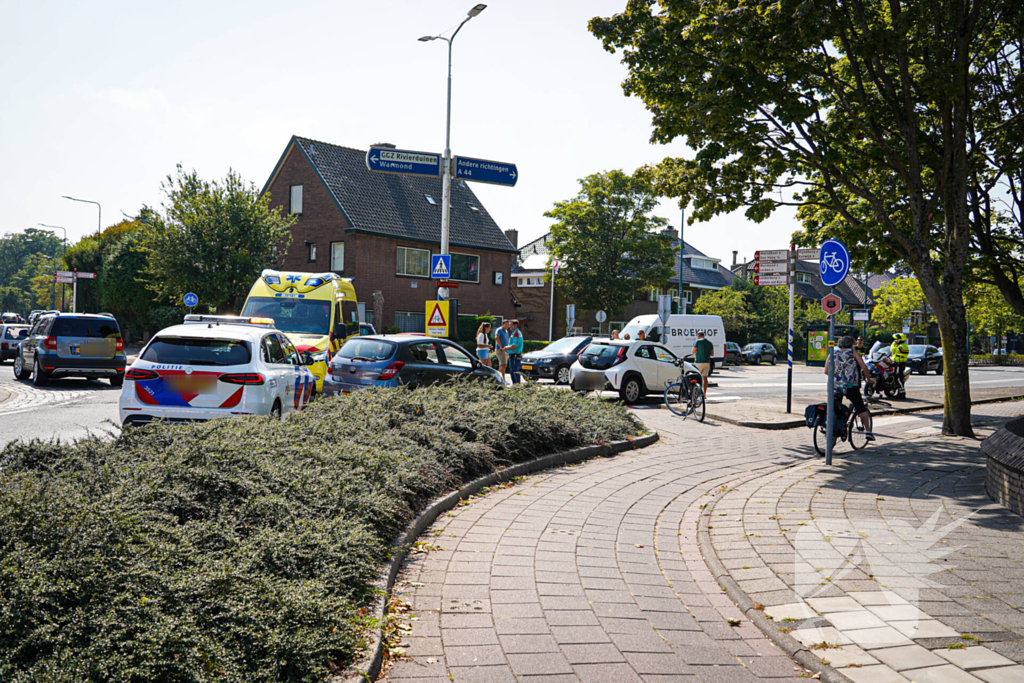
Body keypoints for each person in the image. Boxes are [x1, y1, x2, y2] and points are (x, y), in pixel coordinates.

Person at [827, 335, 875, 440]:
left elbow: (826, 371)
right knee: (860, 406)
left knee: (835, 407)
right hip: (850, 385)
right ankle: (868, 432)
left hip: (836, 386)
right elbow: (863, 366)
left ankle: (835, 429)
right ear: (851, 344)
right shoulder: (853, 352)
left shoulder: (833, 353)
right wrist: (868, 379)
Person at [692, 331, 714, 395]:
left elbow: (693, 351)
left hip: (698, 362)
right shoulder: (710, 343)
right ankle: (704, 394)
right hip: (707, 362)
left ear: (698, 336)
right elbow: (712, 354)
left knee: (696, 377)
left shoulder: (697, 341)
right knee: (705, 378)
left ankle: (697, 392)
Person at [504, 320, 524, 384]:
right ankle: (516, 385)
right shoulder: (515, 332)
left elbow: (514, 345)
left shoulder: (516, 333)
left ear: (515, 325)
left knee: (514, 371)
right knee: (514, 371)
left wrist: (506, 348)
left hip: (515, 355)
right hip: (514, 355)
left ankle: (516, 386)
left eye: (511, 325)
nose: (510, 326)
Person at [890, 333, 909, 398]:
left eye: (897, 339)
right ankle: (900, 392)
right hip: (898, 363)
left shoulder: (902, 346)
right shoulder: (902, 345)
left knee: (898, 378)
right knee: (897, 377)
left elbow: (892, 350)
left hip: (899, 363)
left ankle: (902, 393)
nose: (895, 340)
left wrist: (894, 343)